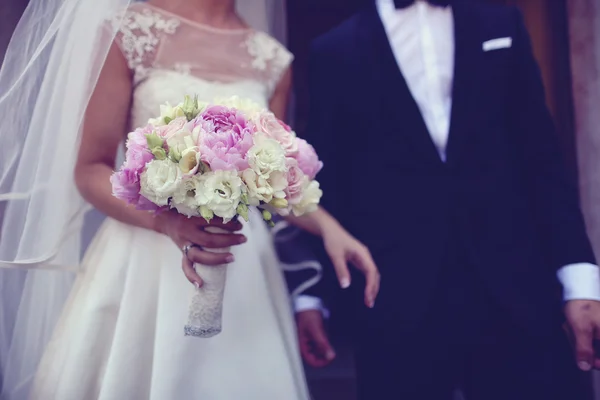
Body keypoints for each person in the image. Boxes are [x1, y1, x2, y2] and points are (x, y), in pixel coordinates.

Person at [0, 0, 379, 399]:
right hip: (144, 263)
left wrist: (331, 228)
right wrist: (167, 222)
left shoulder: (271, 59)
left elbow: (273, 183)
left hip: (242, 269)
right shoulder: (130, 33)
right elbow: (90, 169)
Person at [294, 0, 600, 399]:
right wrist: (311, 296)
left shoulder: (501, 20)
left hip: (515, 289)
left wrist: (581, 284)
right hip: (394, 297)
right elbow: (325, 181)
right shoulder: (334, 50)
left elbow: (541, 160)